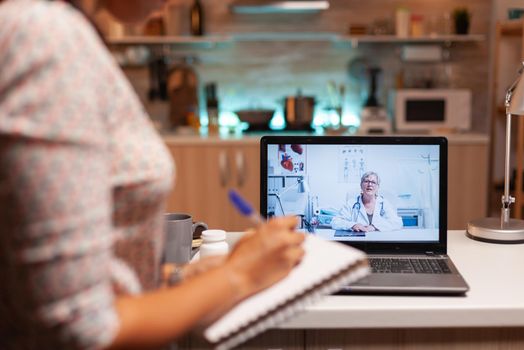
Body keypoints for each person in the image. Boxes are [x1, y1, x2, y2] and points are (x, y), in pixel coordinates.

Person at [0, 0, 304, 349]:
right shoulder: (42, 35)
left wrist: (178, 277)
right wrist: (241, 274)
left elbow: (76, 281)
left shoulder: (56, 31)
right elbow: (80, 328)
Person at [331, 171, 403, 232]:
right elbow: (335, 222)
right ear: (361, 185)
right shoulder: (351, 203)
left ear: (378, 187)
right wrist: (353, 225)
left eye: (373, 182)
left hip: (379, 241)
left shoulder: (384, 204)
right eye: (366, 181)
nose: (369, 184)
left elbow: (397, 222)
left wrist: (375, 227)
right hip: (358, 241)